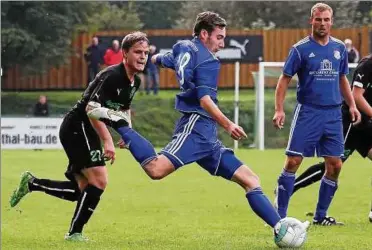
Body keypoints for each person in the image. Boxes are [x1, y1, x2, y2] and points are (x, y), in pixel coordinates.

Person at [89, 11, 309, 231]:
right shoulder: (208, 61)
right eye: (219, 37)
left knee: (250, 179)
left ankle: (280, 228)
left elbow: (162, 60)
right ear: (204, 34)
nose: (222, 44)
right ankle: (120, 125)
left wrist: (151, 57)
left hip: (207, 134)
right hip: (195, 126)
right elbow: (204, 100)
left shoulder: (183, 47)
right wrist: (229, 124)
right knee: (156, 169)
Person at [9, 32, 149, 241]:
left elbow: (124, 108)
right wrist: (108, 140)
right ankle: (74, 234)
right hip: (77, 126)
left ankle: (32, 184)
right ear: (125, 53)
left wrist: (126, 132)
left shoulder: (133, 82)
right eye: (138, 52)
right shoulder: (111, 76)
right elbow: (92, 109)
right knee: (100, 181)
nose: (143, 57)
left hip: (88, 129)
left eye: (146, 53)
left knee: (82, 191)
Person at [272, 3, 361, 226]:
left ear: (332, 21)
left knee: (335, 165)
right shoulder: (300, 49)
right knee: (293, 161)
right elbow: (284, 80)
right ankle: (278, 217)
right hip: (308, 112)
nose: (323, 24)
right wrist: (279, 109)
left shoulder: (340, 48)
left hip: (333, 114)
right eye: (319, 19)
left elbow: (342, 79)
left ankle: (321, 217)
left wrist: (351, 105)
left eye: (327, 20)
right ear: (311, 20)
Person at [291, 54, 372, 223]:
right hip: (352, 122)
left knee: (333, 167)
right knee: (332, 167)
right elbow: (356, 96)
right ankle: (289, 188)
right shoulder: (367, 65)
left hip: (367, 125)